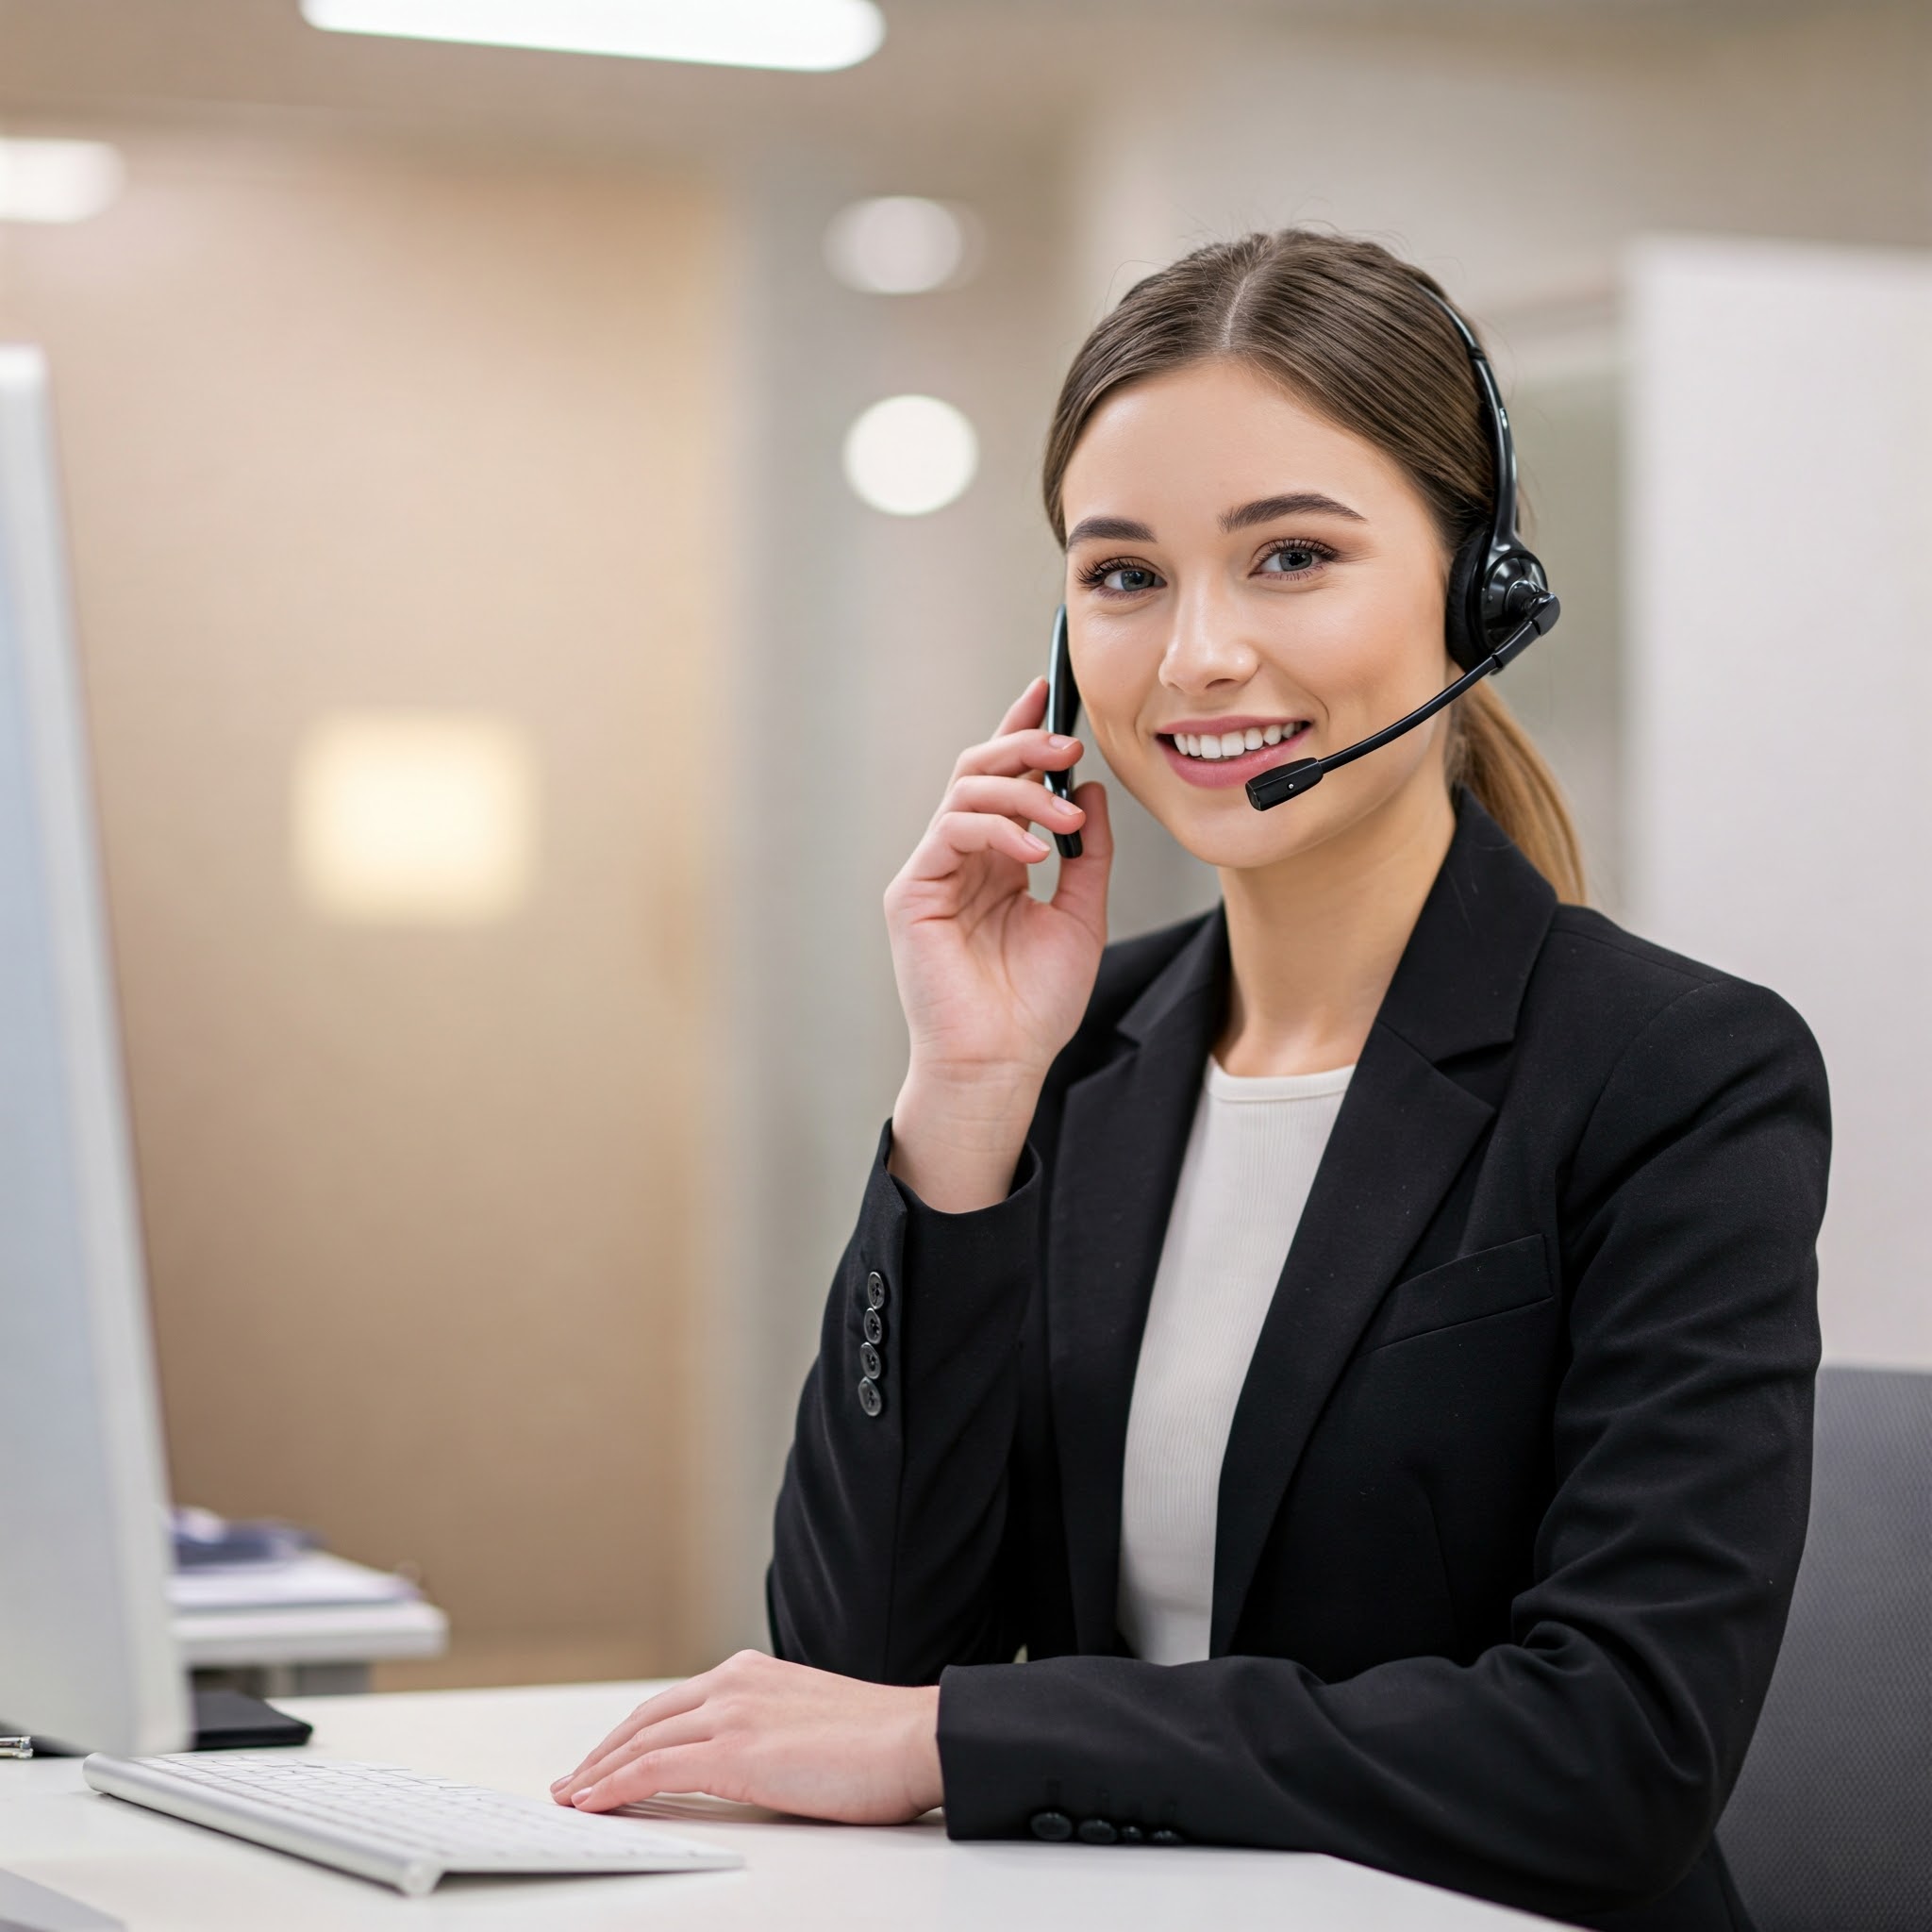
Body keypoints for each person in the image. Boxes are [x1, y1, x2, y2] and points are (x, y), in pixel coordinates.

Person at [552, 229, 1830, 1932]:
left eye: (1291, 556)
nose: (1198, 656)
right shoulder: (1081, 1058)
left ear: (1476, 589)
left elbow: (1613, 1757)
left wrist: (964, 1740)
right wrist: (965, 1095)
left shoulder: (1676, 1075)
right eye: (1126, 575)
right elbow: (854, 1659)